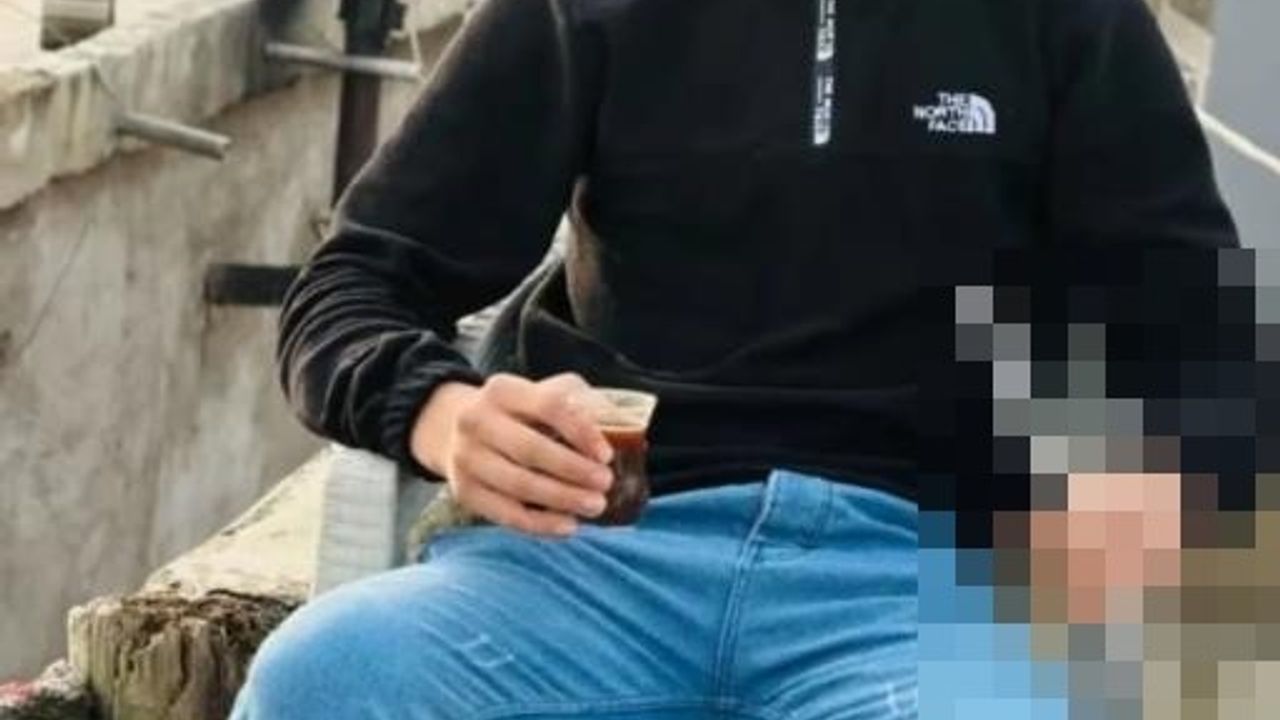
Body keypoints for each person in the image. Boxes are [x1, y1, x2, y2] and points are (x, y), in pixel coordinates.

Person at [232, 0, 1238, 717]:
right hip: (593, 556)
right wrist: (441, 415)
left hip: (928, 579)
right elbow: (351, 282)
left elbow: (1195, 340)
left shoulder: (1071, 18)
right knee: (323, 679)